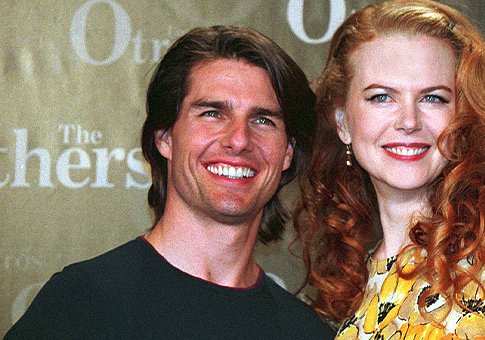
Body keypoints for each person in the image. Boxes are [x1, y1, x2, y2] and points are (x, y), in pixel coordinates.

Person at [5, 25, 334, 339]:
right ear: (165, 138)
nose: (239, 140)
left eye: (262, 120)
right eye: (212, 113)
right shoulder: (80, 306)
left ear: (288, 153)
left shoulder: (305, 332)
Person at [294, 1, 485, 339]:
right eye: (382, 97)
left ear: (463, 117)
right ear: (342, 122)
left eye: (433, 98)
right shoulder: (353, 282)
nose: (409, 121)